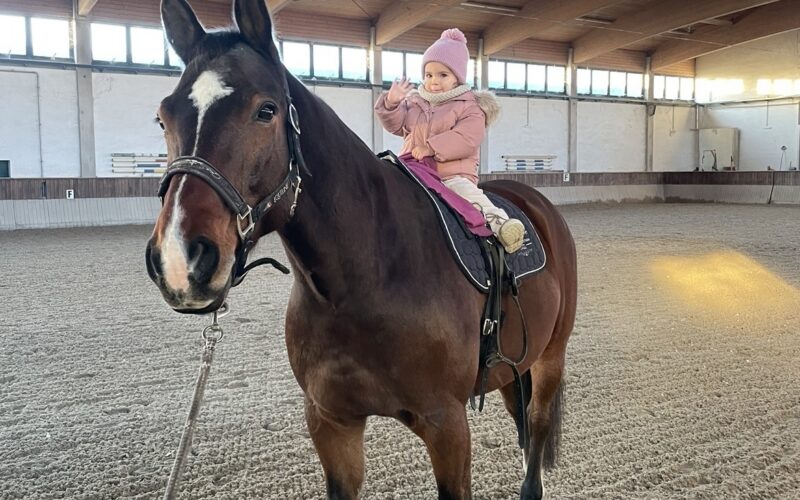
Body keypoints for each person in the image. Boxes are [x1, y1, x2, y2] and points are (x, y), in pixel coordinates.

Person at [374, 28, 525, 253]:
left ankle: (501, 224)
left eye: (442, 75)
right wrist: (391, 103)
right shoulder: (414, 102)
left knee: (466, 194)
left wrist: (431, 148)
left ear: (457, 78)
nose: (434, 81)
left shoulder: (470, 107)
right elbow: (395, 125)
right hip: (414, 170)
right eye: (429, 75)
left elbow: (466, 138)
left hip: (451, 174)